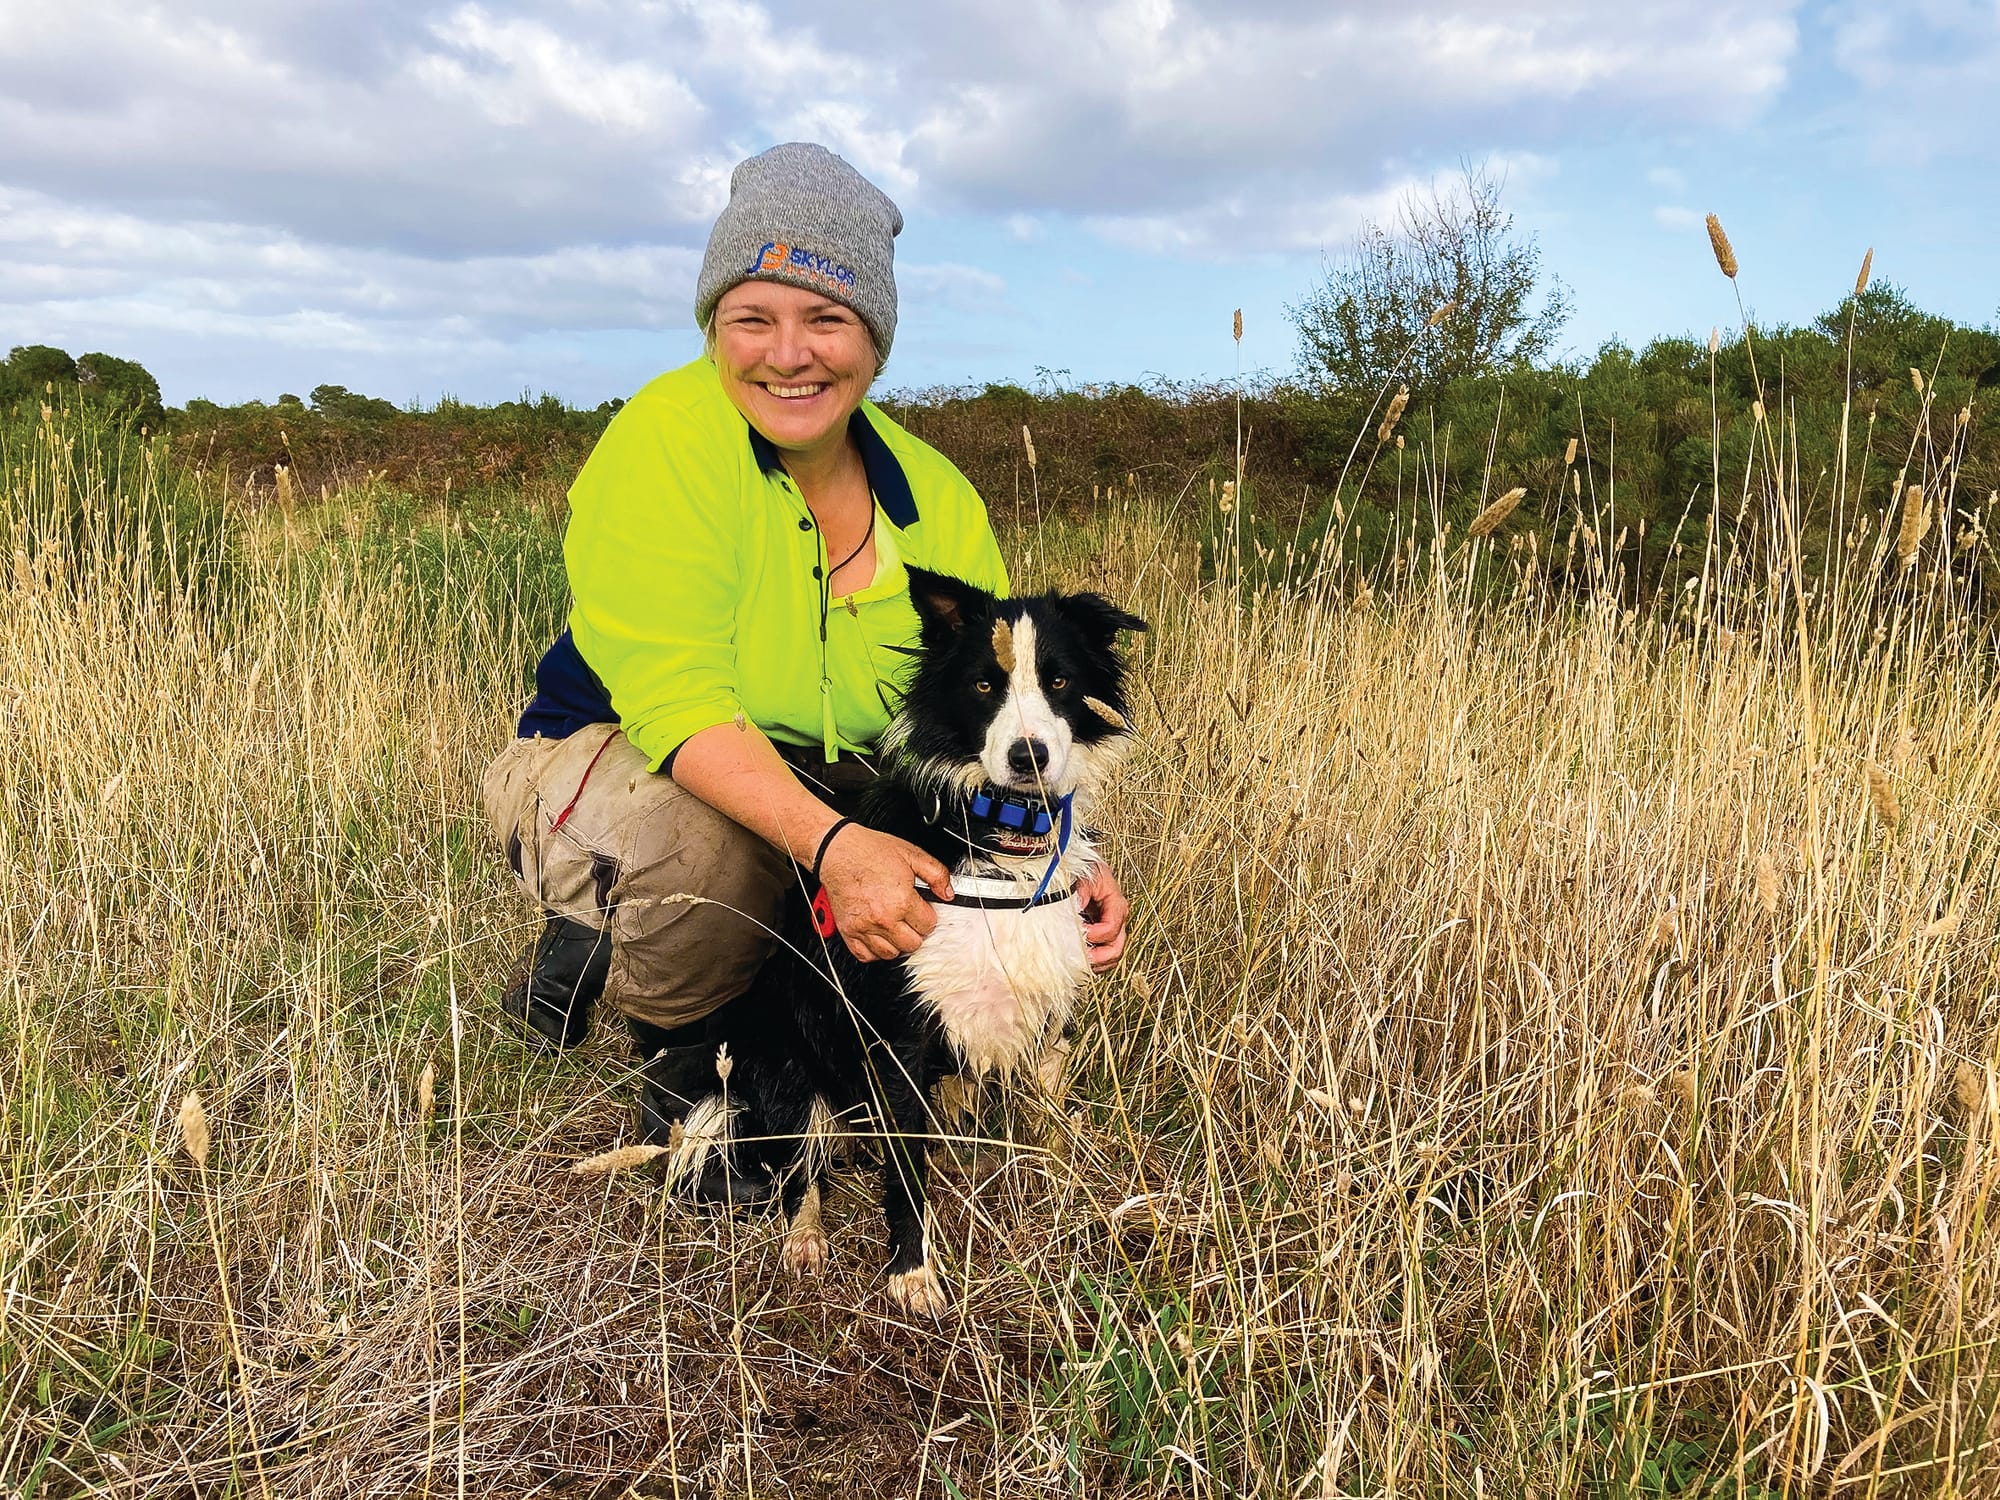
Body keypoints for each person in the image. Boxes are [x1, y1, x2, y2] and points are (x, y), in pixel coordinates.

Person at [480, 143, 1131, 1174]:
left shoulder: (937, 498)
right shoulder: (659, 445)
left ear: (873, 337)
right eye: (752, 317)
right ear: (712, 326)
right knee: (709, 849)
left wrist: (1053, 864)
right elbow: (682, 707)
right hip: (616, 754)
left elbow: (972, 729)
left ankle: (824, 1028)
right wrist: (834, 848)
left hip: (820, 767)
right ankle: (689, 1064)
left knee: (885, 851)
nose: (789, 354)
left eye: (826, 318)